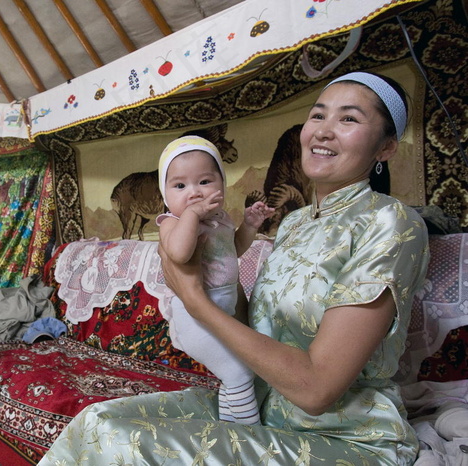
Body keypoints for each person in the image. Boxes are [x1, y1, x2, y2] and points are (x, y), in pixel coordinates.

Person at [38, 71, 429, 465]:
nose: (323, 132)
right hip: (260, 406)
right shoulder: (294, 223)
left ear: (387, 147)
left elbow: (317, 390)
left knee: (122, 443)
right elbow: (255, 322)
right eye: (318, 116)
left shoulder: (391, 223)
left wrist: (195, 301)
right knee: (97, 420)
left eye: (348, 119)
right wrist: (210, 282)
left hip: (341, 434)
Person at [156, 135, 274, 424]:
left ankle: (229, 430)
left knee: (237, 375)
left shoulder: (221, 218)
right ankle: (250, 440)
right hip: (193, 320)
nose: (194, 193)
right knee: (239, 374)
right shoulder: (172, 222)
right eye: (180, 186)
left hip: (224, 313)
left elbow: (233, 250)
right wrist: (192, 216)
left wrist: (248, 225)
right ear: (165, 195)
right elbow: (180, 254)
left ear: (222, 184)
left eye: (205, 182)